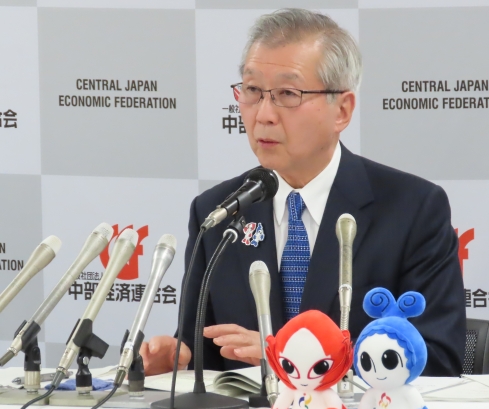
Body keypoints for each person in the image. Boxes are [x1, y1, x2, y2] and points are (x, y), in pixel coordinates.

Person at [140, 8, 466, 377]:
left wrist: (291, 358)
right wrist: (180, 358)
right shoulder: (217, 211)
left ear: (342, 110)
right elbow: (209, 350)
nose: (264, 114)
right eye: (252, 91)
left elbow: (438, 358)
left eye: (287, 94)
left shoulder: (412, 209)